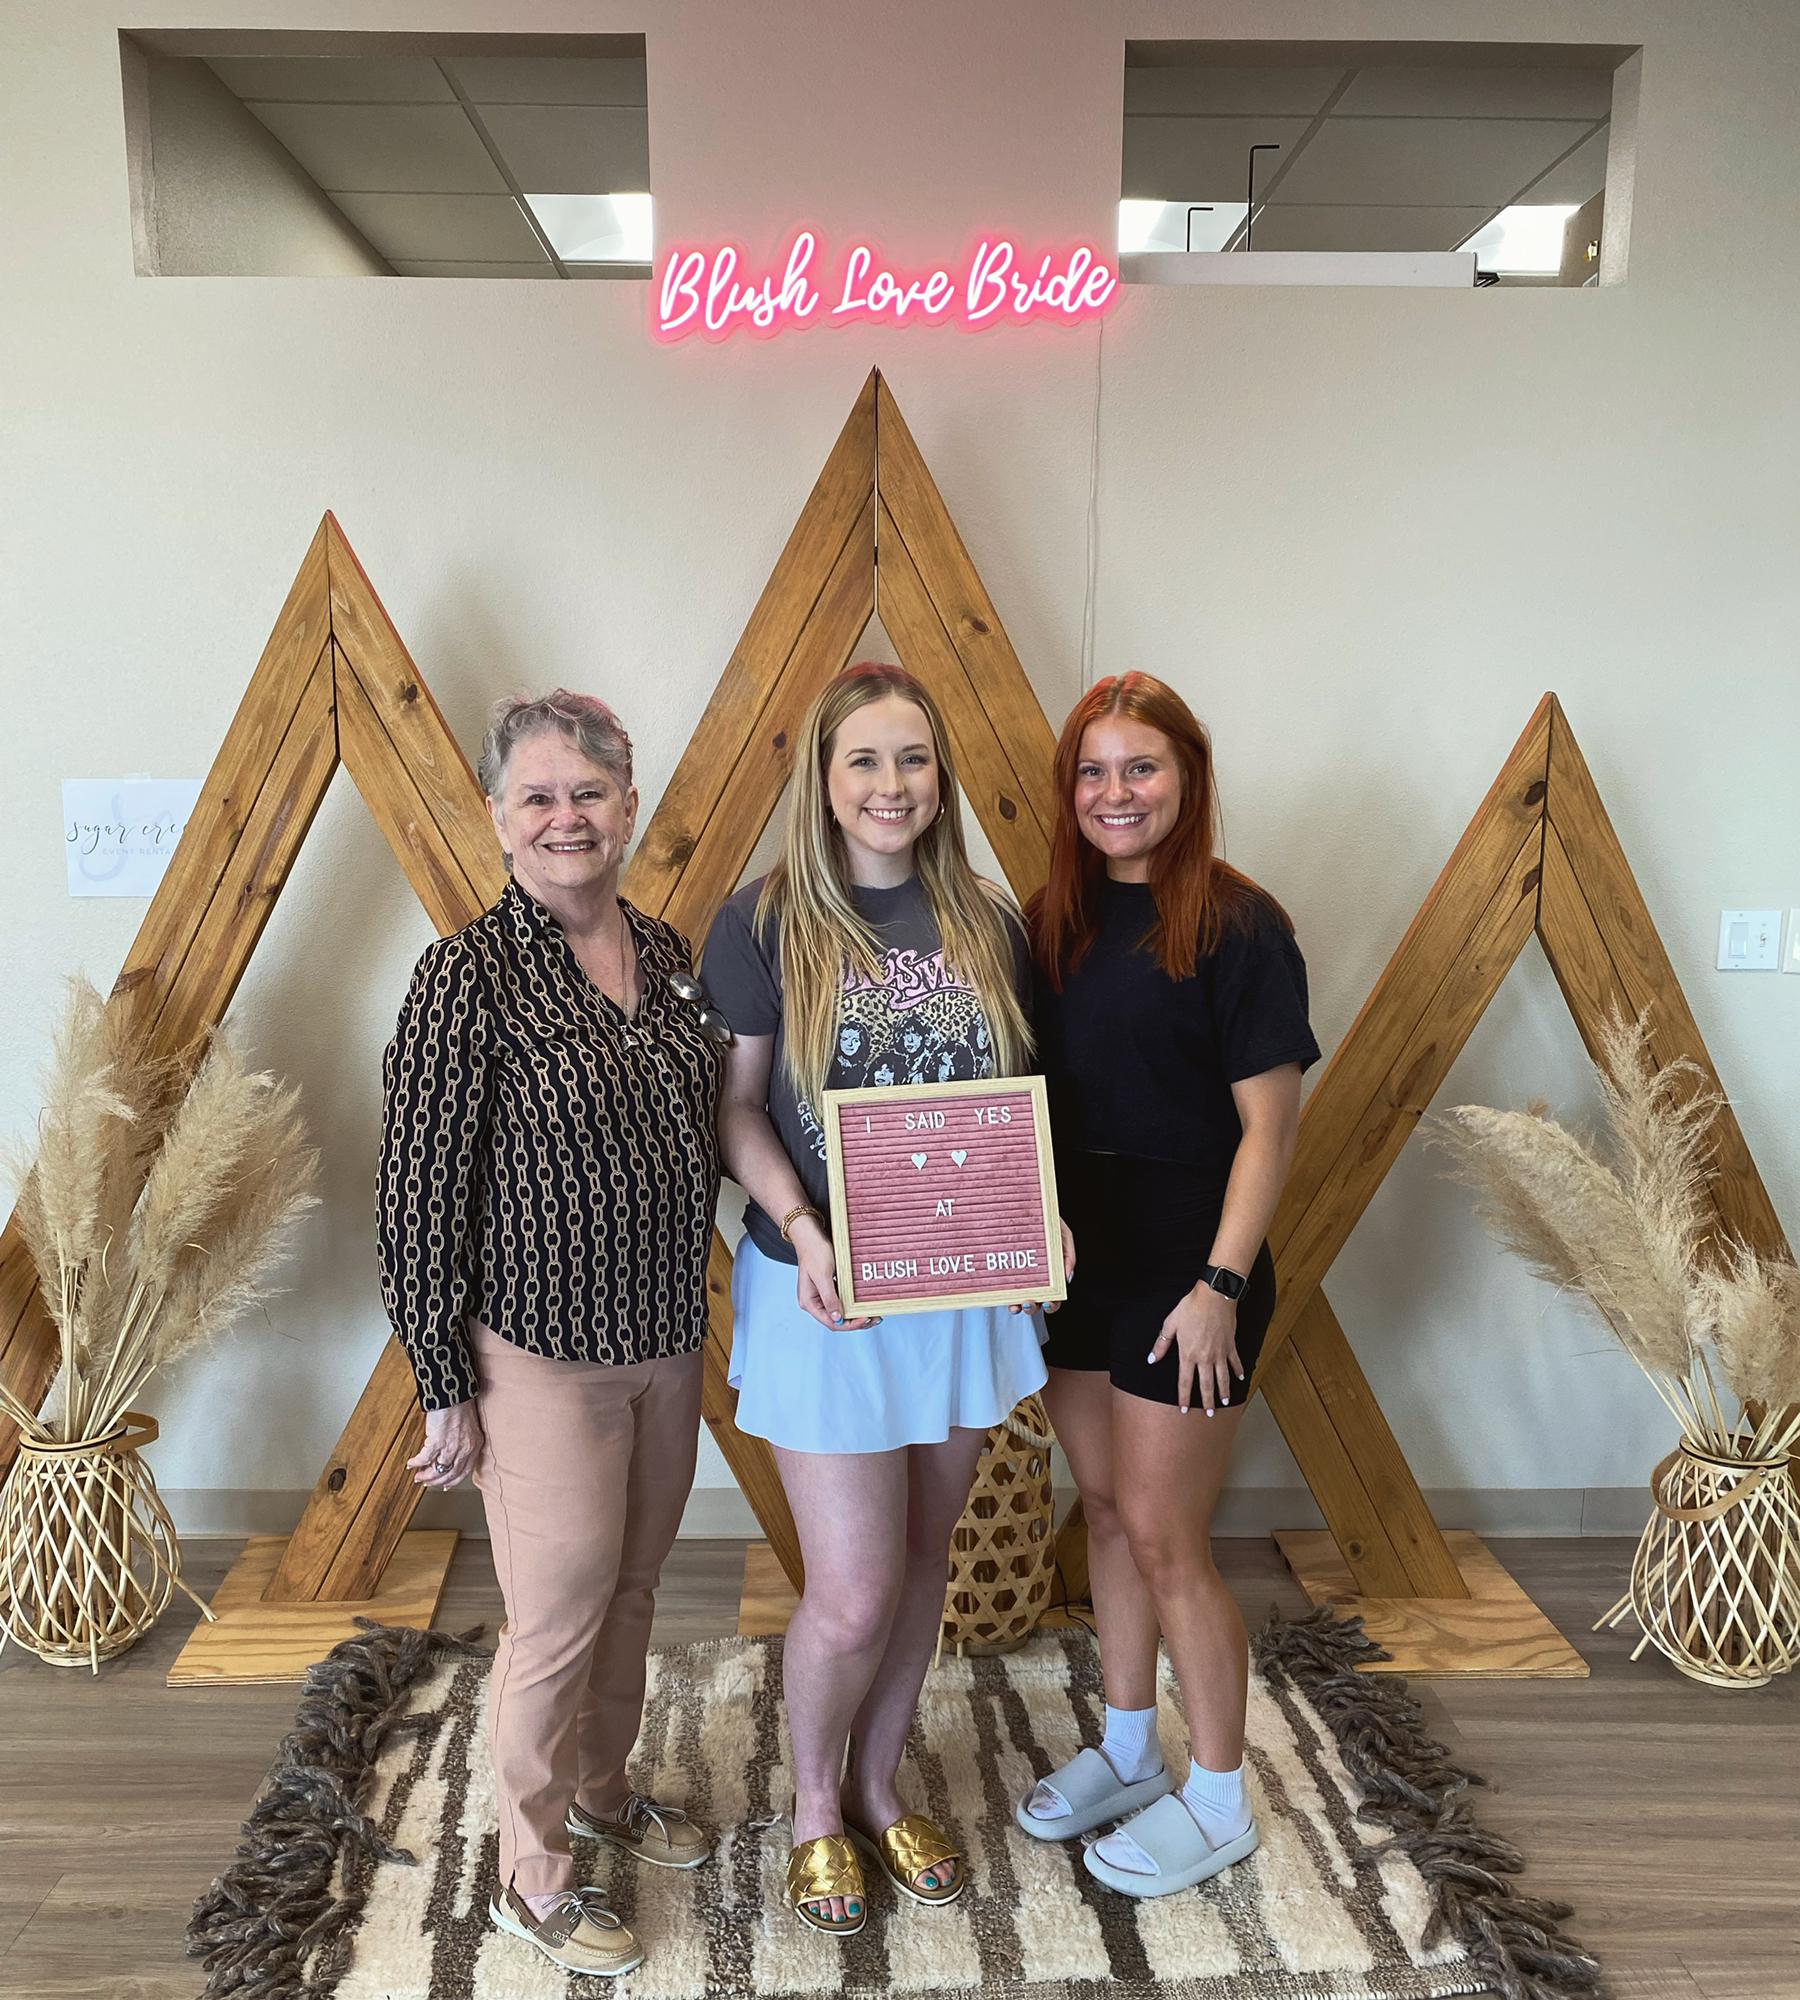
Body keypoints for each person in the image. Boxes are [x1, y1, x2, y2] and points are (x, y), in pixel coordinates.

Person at [376, 690, 731, 1979]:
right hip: (538, 1353)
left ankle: (601, 1786)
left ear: (628, 805)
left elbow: (712, 1128)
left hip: (664, 1336)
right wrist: (441, 1381)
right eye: (538, 795)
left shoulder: (670, 948)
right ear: (498, 819)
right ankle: (531, 1870)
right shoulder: (463, 976)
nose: (565, 817)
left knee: (634, 1587)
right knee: (558, 1613)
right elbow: (417, 1191)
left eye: (589, 792)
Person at [706, 660, 1063, 1935]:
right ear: (823, 776)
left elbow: (1009, 1104)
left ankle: (876, 1775)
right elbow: (737, 1110)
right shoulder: (762, 924)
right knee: (851, 1583)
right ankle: (811, 1803)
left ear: (940, 776)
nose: (891, 784)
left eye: (913, 758)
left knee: (923, 1564)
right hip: (825, 1287)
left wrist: (1041, 1208)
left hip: (958, 1285)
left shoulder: (986, 917)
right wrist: (800, 1226)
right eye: (864, 759)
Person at [1016, 672, 1320, 1899]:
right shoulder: (1055, 918)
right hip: (1081, 1263)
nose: (1115, 792)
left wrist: (1220, 1285)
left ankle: (1220, 1797)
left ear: (1186, 776)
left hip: (1192, 1273)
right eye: (1093, 771)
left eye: (1139, 767)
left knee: (1166, 1534)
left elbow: (1270, 1132)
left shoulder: (1243, 925)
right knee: (1100, 1509)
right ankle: (1132, 1748)